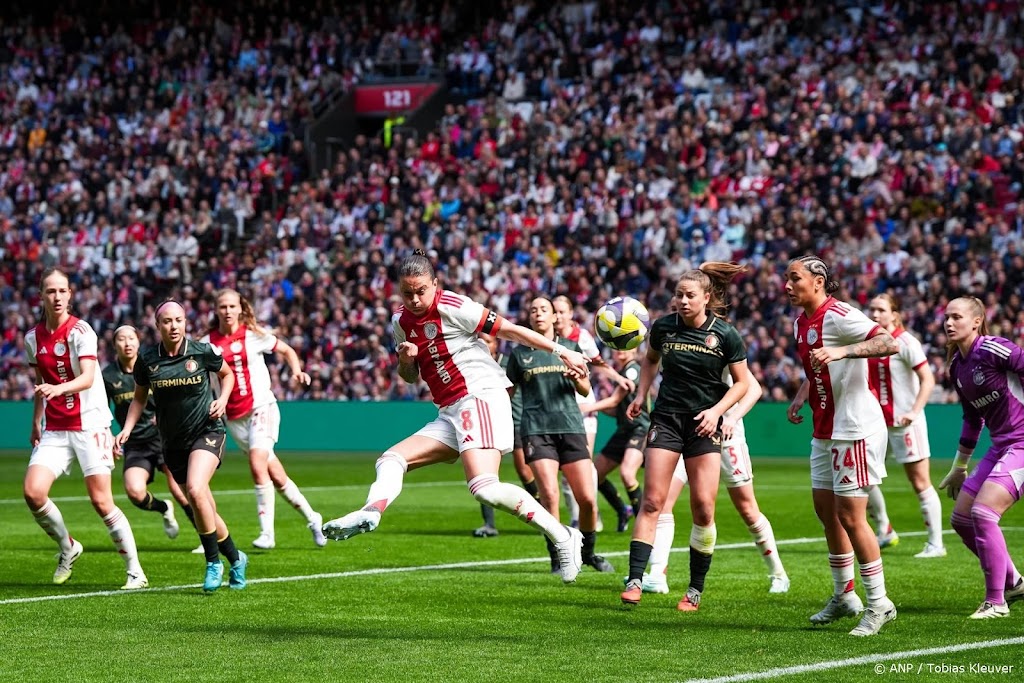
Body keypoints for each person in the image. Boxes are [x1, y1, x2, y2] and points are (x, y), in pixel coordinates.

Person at [322, 250, 590, 584]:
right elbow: (409, 376)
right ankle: (371, 512)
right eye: (408, 293)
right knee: (391, 459)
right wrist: (406, 359)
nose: (416, 299)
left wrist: (561, 350)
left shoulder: (453, 305)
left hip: (480, 395)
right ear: (398, 291)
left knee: (483, 487)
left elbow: (509, 331)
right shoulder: (399, 323)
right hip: (450, 409)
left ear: (435, 284)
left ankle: (564, 536)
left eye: (422, 290)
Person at [620, 262, 751, 612]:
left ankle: (694, 589)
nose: (682, 301)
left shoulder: (725, 334)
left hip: (704, 426)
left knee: (704, 508)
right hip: (667, 420)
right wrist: (640, 394)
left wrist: (716, 411)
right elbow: (649, 361)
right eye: (678, 295)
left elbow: (743, 383)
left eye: (690, 295)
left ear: (707, 298)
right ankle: (634, 579)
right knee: (652, 502)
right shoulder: (663, 327)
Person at [785, 255, 899, 637]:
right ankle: (844, 595)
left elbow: (887, 342)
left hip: (854, 427)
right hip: (825, 428)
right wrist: (803, 394)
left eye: (794, 278)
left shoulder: (839, 315)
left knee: (852, 516)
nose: (787, 285)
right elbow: (819, 367)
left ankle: (880, 604)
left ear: (818, 281)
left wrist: (843, 351)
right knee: (826, 512)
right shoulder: (801, 321)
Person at [24, 268, 148, 589]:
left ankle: (135, 571)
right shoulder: (31, 339)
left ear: (70, 295)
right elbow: (40, 384)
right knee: (33, 493)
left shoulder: (82, 331)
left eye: (62, 291)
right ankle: (68, 546)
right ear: (42, 296)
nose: (57, 297)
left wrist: (58, 389)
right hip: (55, 428)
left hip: (90, 424)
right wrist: (37, 420)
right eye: (51, 291)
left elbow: (88, 377)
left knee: (101, 501)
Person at [114, 300, 248, 593]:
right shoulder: (147, 360)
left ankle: (213, 562)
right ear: (157, 325)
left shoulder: (202, 352)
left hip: (207, 432)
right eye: (167, 321)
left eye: (178, 320)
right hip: (173, 443)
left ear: (185, 322)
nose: (173, 326)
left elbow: (227, 375)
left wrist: (223, 399)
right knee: (206, 507)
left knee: (197, 491)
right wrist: (125, 429)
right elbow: (138, 398)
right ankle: (237, 558)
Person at [638, 370, 790, 595]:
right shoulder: (678, 339)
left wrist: (732, 417)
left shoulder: (720, 339)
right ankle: (657, 574)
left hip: (727, 435)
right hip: (688, 431)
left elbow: (754, 388)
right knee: (663, 501)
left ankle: (778, 574)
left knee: (747, 508)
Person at [203, 288, 326, 550]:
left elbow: (287, 350)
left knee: (257, 464)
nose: (228, 311)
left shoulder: (252, 335)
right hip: (234, 417)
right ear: (216, 310)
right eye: (223, 306)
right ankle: (313, 518)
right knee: (277, 477)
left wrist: (297, 371)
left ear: (240, 308)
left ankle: (267, 534)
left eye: (232, 306)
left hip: (262, 406)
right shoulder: (207, 343)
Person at [506, 296, 614, 574]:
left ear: (555, 317)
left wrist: (576, 377)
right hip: (536, 431)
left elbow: (586, 389)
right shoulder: (519, 355)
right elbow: (508, 393)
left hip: (571, 427)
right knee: (550, 496)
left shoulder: (570, 348)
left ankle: (588, 553)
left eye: (544, 309)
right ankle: (558, 556)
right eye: (533, 310)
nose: (538, 313)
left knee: (587, 499)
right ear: (529, 319)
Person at [938, 296, 1024, 618]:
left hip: (1023, 443)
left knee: (984, 513)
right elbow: (973, 419)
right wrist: (960, 466)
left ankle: (996, 601)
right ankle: (1014, 582)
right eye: (946, 317)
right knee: (961, 518)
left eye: (957, 317)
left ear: (976, 321)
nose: (949, 322)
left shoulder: (994, 349)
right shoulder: (957, 368)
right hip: (1001, 445)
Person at [864, 294, 945, 558]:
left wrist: (914, 411)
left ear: (894, 314)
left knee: (919, 481)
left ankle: (936, 544)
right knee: (863, 476)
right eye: (872, 309)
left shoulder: (906, 341)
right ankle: (884, 529)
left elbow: (928, 380)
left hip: (905, 423)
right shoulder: (869, 342)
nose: (875, 314)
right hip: (877, 424)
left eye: (881, 310)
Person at [552, 296, 637, 527]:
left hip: (582, 405)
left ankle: (588, 517)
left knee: (581, 464)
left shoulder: (582, 337)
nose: (557, 316)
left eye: (562, 311)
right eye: (555, 312)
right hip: (557, 406)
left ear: (571, 314)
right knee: (566, 474)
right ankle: (580, 517)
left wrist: (619, 377)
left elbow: (599, 364)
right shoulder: (546, 338)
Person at [102, 324, 192, 541]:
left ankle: (206, 537)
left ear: (138, 341)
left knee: (179, 488)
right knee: (134, 492)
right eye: (121, 339)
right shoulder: (107, 376)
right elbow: (102, 413)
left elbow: (175, 395)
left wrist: (165, 414)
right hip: (136, 444)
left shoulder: (152, 366)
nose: (127, 343)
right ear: (114, 345)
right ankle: (163, 508)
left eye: (131, 338)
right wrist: (108, 442)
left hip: (164, 436)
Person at [473, 333, 540, 538]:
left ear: (497, 344)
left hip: (515, 421)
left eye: (489, 341)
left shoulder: (507, 363)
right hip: (486, 423)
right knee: (484, 474)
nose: (485, 345)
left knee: (524, 471)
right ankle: (489, 525)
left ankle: (542, 514)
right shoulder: (472, 367)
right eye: (481, 341)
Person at [579, 346, 647, 533]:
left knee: (627, 473)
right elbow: (616, 409)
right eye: (617, 348)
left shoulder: (633, 369)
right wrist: (597, 409)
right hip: (624, 430)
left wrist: (586, 408)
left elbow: (615, 400)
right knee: (596, 474)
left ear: (634, 350)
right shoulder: (622, 371)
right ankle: (622, 510)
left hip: (640, 430)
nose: (621, 351)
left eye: (626, 348)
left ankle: (644, 523)